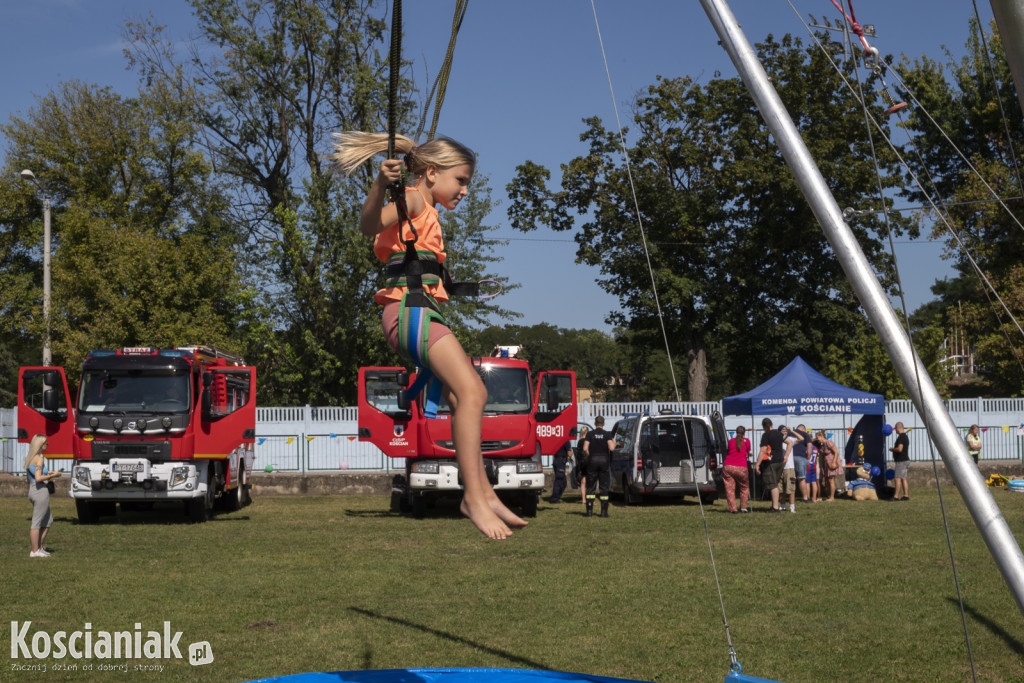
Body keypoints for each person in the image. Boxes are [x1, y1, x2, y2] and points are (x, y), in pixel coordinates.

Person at [332, 132, 525, 540]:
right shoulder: (416, 199)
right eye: (461, 180)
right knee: (473, 392)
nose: (466, 190)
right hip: (409, 313)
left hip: (419, 311)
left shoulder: (427, 211)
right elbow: (369, 225)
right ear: (433, 173)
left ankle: (483, 490)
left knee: (460, 398)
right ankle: (472, 496)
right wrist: (381, 184)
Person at [24, 434, 61, 558]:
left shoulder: (30, 458)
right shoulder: (39, 459)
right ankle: (35, 551)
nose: (47, 445)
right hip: (40, 491)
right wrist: (53, 475)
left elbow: (35, 474)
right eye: (46, 443)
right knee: (37, 522)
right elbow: (39, 478)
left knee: (48, 519)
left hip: (33, 490)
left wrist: (48, 472)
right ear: (40, 445)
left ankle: (39, 547)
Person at [583, 415, 617, 517]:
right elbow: (611, 448)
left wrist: (590, 456)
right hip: (604, 462)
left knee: (591, 487)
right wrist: (614, 443)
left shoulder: (590, 434)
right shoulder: (607, 434)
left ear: (594, 423)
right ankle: (603, 512)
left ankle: (589, 512)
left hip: (592, 461)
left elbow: (585, 448)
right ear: (604, 424)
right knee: (603, 487)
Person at [756, 418, 786, 513]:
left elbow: (763, 450)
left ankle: (775, 507)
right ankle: (774, 505)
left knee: (773, 485)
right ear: (772, 424)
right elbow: (789, 442)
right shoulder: (779, 434)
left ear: (763, 426)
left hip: (771, 462)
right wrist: (786, 455)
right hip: (780, 461)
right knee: (775, 484)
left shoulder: (766, 435)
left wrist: (757, 464)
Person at [722, 426, 751, 513]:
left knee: (730, 489)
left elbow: (730, 451)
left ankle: (733, 509)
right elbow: (747, 452)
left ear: (736, 432)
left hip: (728, 466)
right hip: (741, 467)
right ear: (744, 433)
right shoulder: (747, 441)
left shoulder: (730, 441)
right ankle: (743, 507)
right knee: (744, 487)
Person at [815, 430, 841, 502]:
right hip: (827, 464)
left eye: (818, 437)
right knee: (827, 481)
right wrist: (823, 468)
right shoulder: (823, 445)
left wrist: (834, 462)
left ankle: (832, 497)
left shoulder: (829, 442)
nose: (817, 439)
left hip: (831, 463)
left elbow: (836, 452)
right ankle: (829, 495)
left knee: (831, 480)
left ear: (822, 436)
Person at [791, 424, 813, 503]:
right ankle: (805, 498)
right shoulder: (805, 434)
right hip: (801, 457)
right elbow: (810, 446)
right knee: (801, 478)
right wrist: (808, 457)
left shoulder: (790, 433)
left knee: (792, 479)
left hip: (790, 458)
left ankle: (791, 498)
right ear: (803, 429)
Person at [890, 421, 910, 501]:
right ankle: (906, 495)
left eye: (895, 428)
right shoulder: (905, 436)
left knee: (897, 478)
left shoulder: (901, 437)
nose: (895, 430)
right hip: (905, 460)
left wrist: (893, 449)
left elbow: (900, 449)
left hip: (901, 461)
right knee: (903, 478)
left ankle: (896, 496)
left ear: (898, 428)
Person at [779, 426, 797, 513]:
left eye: (786, 431)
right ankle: (782, 506)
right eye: (783, 431)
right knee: (780, 489)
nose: (785, 432)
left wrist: (792, 431)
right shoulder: (778, 440)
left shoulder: (790, 439)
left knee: (790, 488)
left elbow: (801, 438)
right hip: (779, 467)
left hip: (789, 467)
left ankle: (792, 507)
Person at [574, 426, 589, 504]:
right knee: (589, 480)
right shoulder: (585, 441)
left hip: (581, 462)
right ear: (586, 432)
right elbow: (586, 450)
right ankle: (589, 498)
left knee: (583, 480)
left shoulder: (579, 441)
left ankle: (583, 499)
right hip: (587, 461)